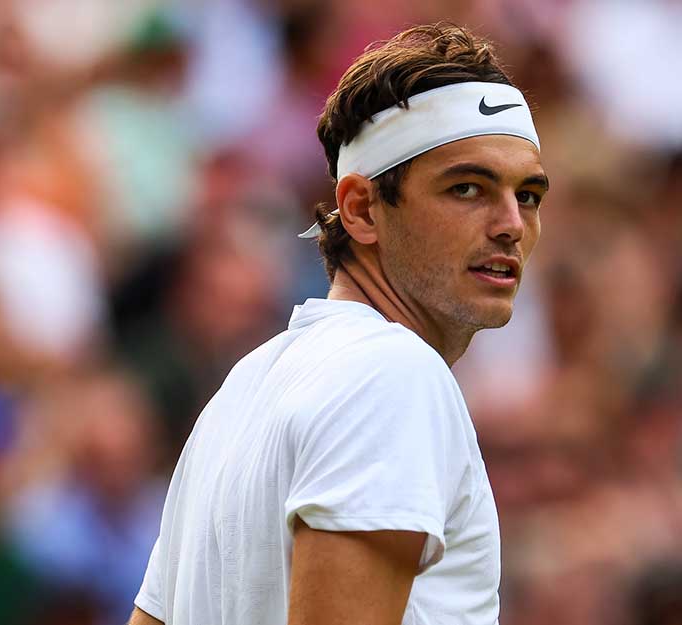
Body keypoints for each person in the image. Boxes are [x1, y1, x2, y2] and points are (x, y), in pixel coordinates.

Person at [129, 22, 548, 625]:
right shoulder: (393, 374)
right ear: (360, 209)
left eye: (528, 195)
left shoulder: (243, 388)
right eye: (467, 188)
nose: (511, 223)